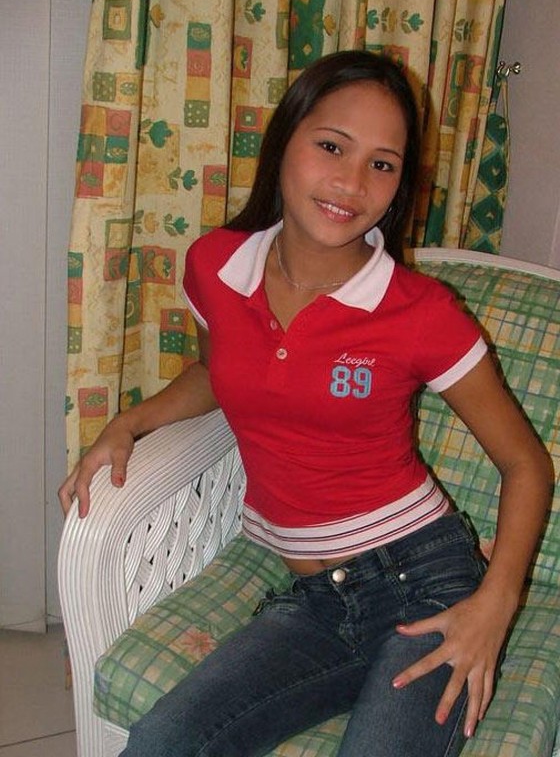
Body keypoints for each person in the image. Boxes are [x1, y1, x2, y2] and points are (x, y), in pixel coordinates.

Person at [59, 50, 552, 757]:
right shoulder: (216, 266)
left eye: (382, 164)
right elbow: (218, 371)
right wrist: (129, 423)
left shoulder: (420, 312)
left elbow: (526, 464)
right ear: (284, 139)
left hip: (427, 585)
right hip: (318, 605)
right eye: (331, 147)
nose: (351, 182)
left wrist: (494, 606)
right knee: (164, 742)